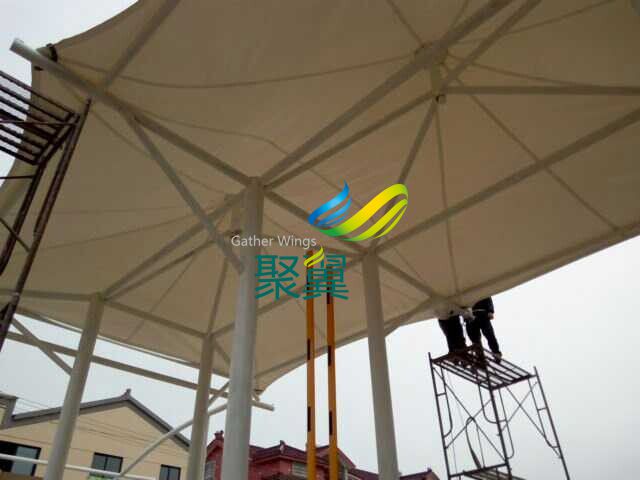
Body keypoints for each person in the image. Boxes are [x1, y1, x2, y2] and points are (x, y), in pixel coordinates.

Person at [465, 296, 502, 361]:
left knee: (489, 334)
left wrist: (490, 311)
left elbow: (488, 297)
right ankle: (480, 356)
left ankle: (496, 352)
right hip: (470, 316)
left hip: (482, 314)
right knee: (474, 338)